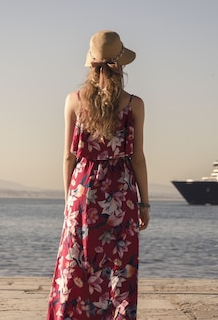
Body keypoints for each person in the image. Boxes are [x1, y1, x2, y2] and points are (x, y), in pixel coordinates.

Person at [47, 30, 150, 320]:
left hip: (82, 191)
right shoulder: (134, 105)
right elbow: (138, 159)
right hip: (121, 192)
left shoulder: (74, 101)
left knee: (78, 264)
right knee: (119, 267)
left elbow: (69, 155)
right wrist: (144, 203)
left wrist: (69, 199)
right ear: (121, 66)